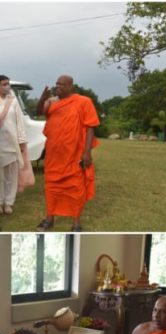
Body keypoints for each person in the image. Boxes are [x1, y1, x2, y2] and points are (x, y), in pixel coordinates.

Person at [35, 75, 99, 232]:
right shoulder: (51, 102)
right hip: (54, 154)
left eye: (62, 84)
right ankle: (50, 218)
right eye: (57, 84)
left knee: (75, 188)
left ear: (71, 86)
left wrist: (87, 152)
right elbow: (38, 112)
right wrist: (42, 98)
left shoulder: (84, 101)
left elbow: (91, 126)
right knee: (51, 187)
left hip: (74, 154)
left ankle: (76, 223)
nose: (58, 87)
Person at [0, 75, 28, 215]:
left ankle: (8, 203)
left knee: (11, 176)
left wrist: (22, 141)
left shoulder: (13, 100)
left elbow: (19, 122)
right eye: (4, 84)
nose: (7, 87)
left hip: (12, 144)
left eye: (8, 84)